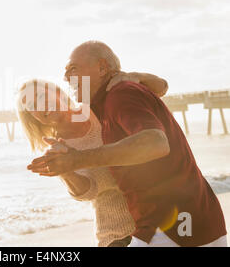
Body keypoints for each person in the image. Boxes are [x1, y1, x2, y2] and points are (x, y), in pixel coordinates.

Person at [28, 40, 227, 247]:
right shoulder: (106, 102)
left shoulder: (120, 95)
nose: (66, 77)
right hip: (192, 220)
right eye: (31, 106)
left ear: (102, 68)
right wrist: (67, 167)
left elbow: (156, 143)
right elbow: (161, 87)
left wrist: (76, 160)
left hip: (170, 226)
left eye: (73, 69)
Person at [17, 71, 168, 247]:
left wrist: (133, 76)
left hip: (159, 219)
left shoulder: (96, 107)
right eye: (32, 106)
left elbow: (160, 88)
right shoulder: (56, 147)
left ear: (57, 92)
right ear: (32, 116)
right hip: (117, 235)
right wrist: (66, 171)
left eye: (42, 96)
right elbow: (89, 192)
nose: (41, 106)